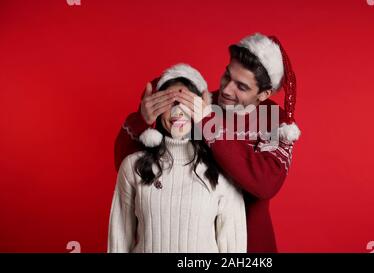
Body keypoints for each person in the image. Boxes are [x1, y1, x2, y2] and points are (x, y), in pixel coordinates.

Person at [115, 33, 301, 252]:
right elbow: (131, 169)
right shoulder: (201, 104)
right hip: (194, 243)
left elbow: (266, 184)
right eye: (226, 76)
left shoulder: (273, 120)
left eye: (241, 87)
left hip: (251, 244)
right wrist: (142, 120)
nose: (226, 89)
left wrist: (207, 123)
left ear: (264, 94)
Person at [108, 64, 247, 253]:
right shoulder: (132, 166)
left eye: (187, 102)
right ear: (157, 109)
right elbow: (119, 240)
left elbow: (233, 245)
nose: (178, 112)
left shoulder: (222, 168)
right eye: (170, 103)